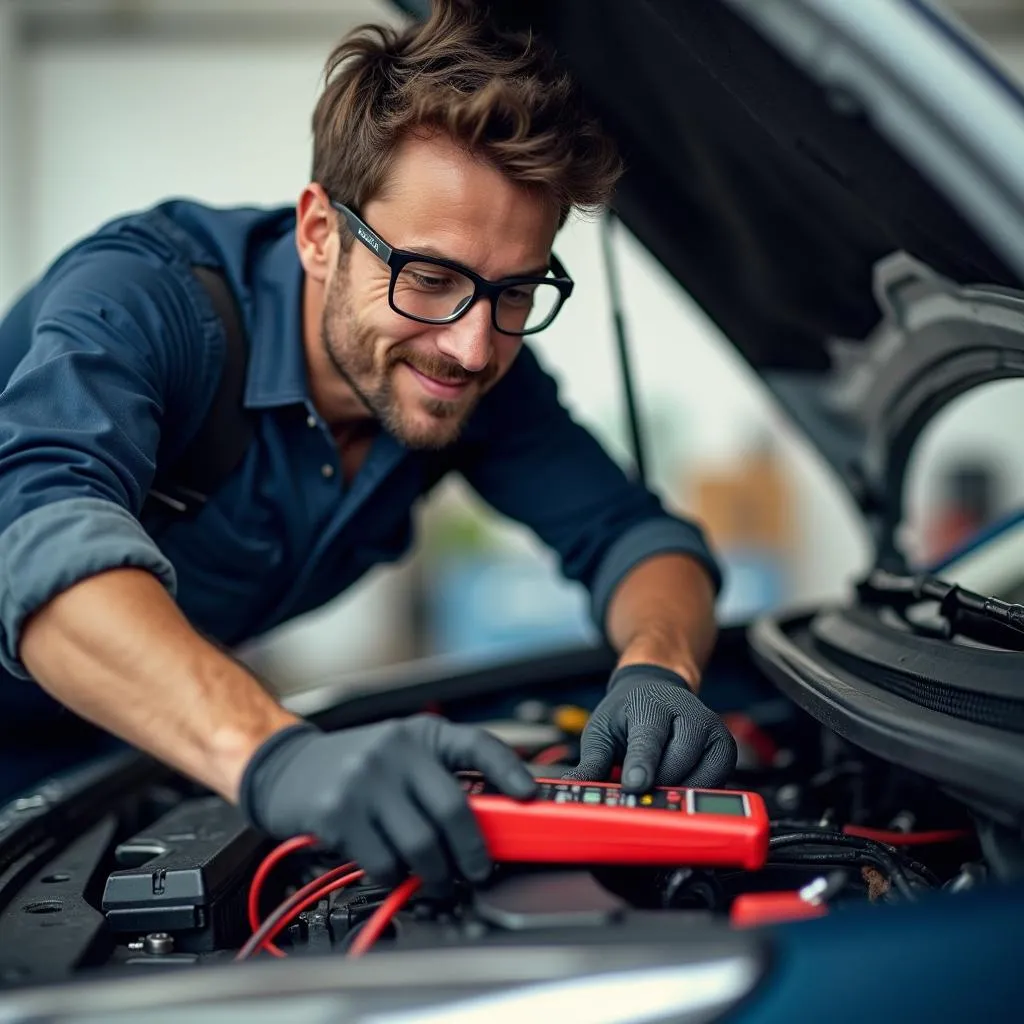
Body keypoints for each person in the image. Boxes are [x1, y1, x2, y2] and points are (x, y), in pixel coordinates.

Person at [0, 0, 735, 892]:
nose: (471, 348)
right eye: (430, 278)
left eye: (515, 292)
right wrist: (272, 753)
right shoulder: (142, 301)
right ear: (320, 233)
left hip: (113, 749)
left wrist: (656, 667)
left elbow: (637, 540)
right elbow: (37, 549)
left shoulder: (468, 370)